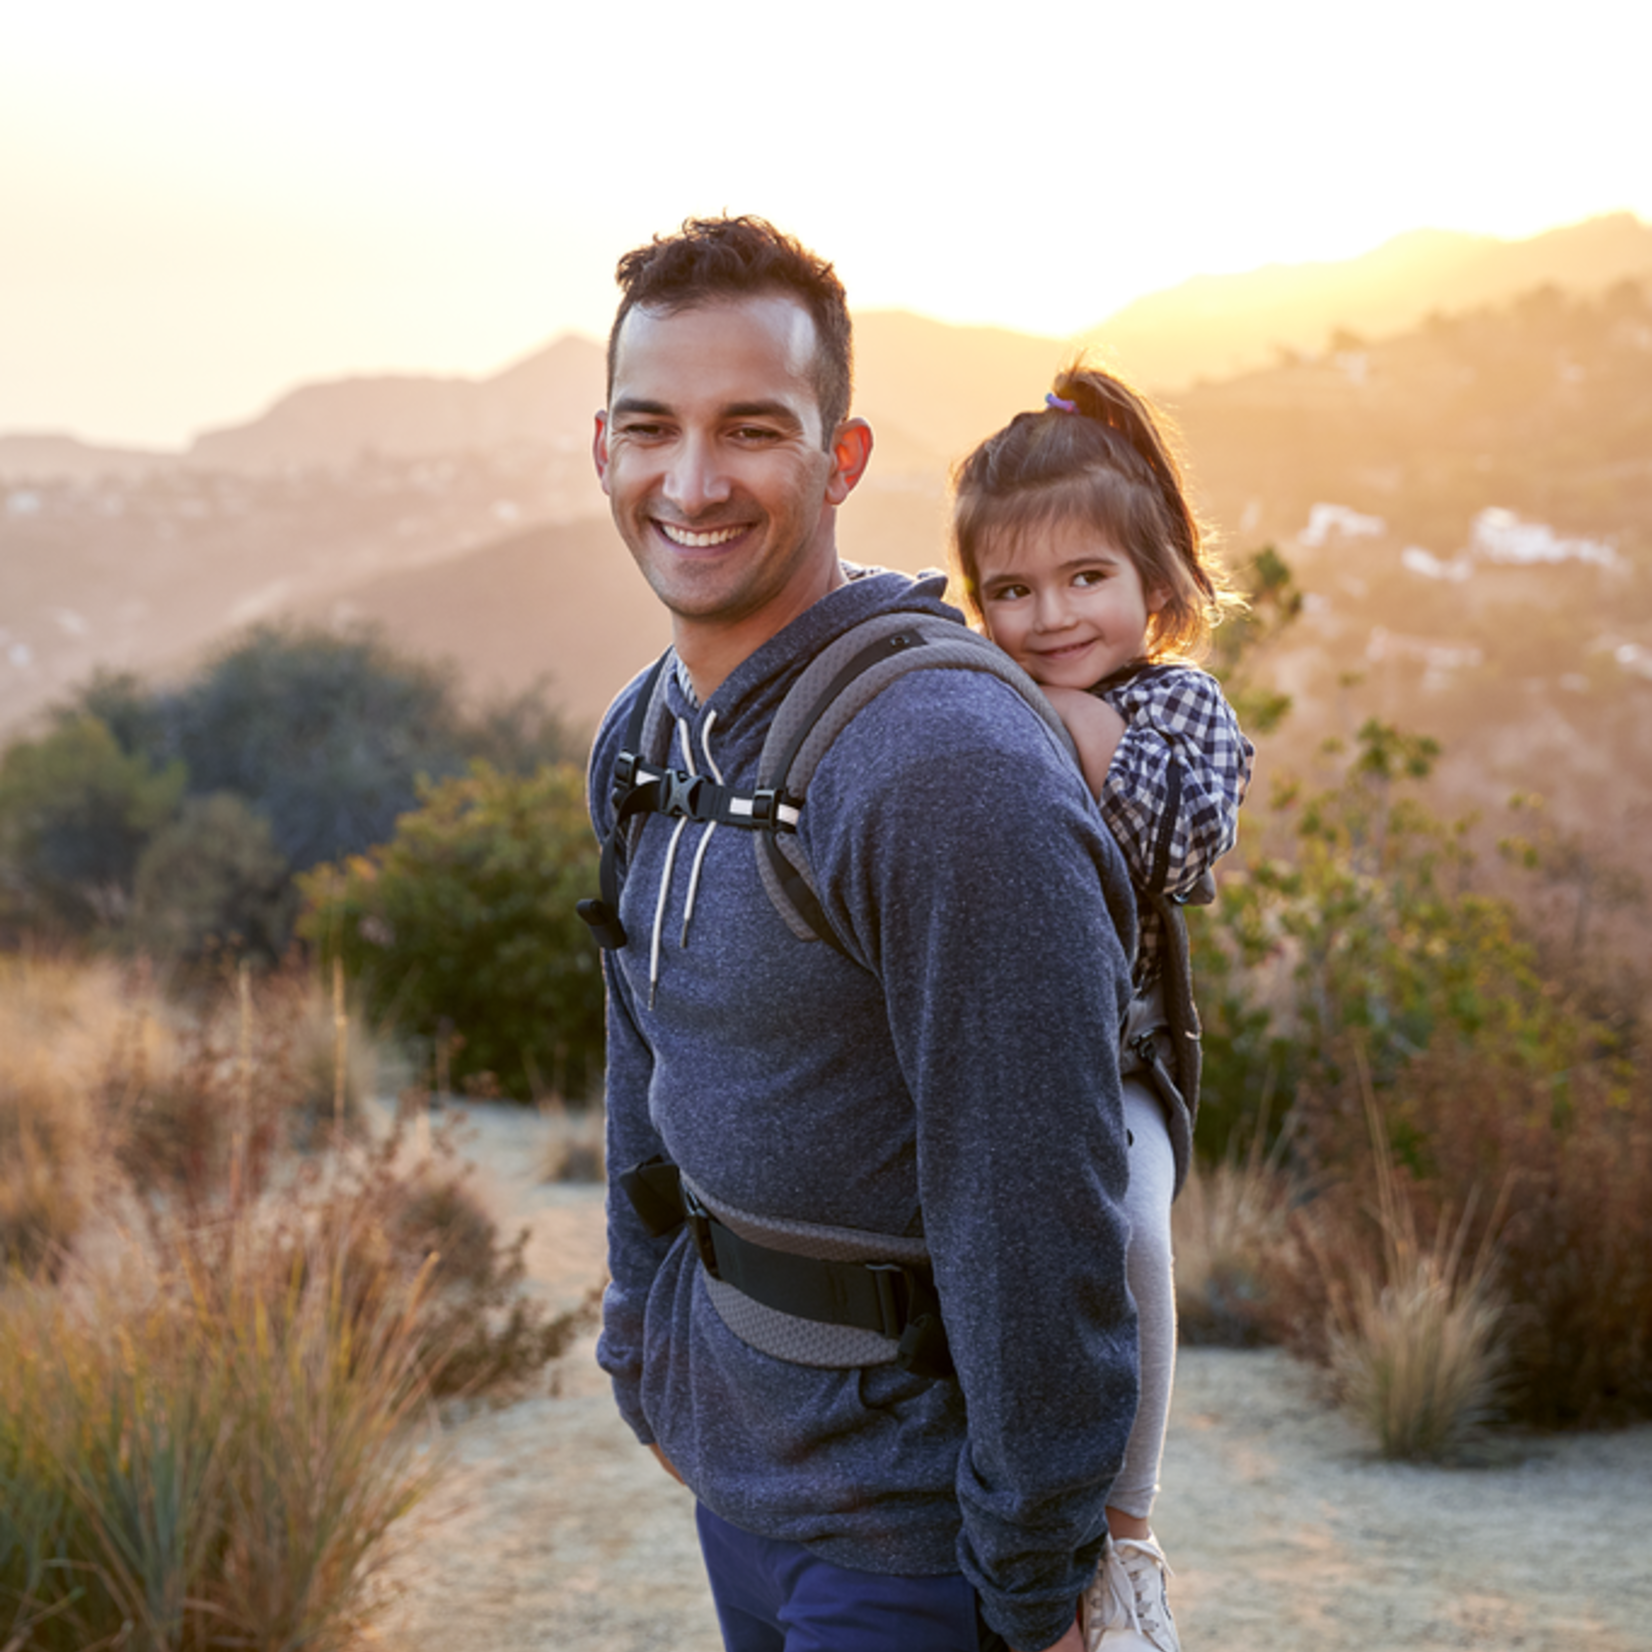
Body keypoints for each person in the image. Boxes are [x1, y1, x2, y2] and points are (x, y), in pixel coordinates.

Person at [587, 215, 1141, 1652]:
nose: (692, 482)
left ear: (841, 461)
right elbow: (641, 1070)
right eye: (653, 428)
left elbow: (1038, 1200)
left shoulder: (939, 770)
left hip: (916, 1534)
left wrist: (1032, 1567)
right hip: (737, 1477)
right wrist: (642, 1352)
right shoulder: (646, 738)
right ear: (604, 450)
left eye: (751, 430)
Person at [953, 367, 1255, 1652]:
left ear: (1158, 588)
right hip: (984, 1050)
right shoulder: (975, 695)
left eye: (1084, 578)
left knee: (1123, 1222)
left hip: (1113, 1058)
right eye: (1010, 592)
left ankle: (1121, 1533)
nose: (1049, 616)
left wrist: (1071, 721)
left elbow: (1176, 844)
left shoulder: (1170, 702)